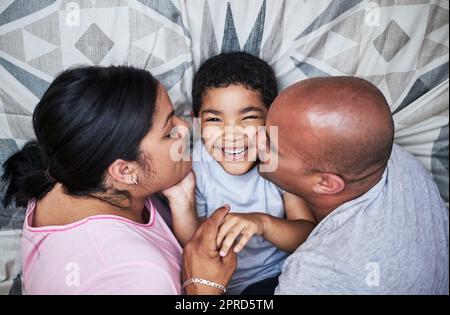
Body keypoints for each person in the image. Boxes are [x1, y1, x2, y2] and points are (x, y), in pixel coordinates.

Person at [183, 76, 449, 295]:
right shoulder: (381, 149)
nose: (256, 141)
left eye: (272, 145)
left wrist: (202, 290)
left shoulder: (316, 276)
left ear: (326, 183)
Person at [2, 65, 198, 294]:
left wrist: (184, 205)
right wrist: (205, 289)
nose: (184, 127)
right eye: (168, 131)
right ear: (124, 171)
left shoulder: (66, 174)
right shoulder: (142, 274)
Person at [177, 52, 316, 295]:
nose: (231, 135)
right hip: (216, 285)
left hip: (275, 275)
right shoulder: (197, 165)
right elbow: (193, 242)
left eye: (249, 117)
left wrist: (262, 223)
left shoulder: (280, 160)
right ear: (197, 123)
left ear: (271, 117)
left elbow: (305, 234)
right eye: (214, 120)